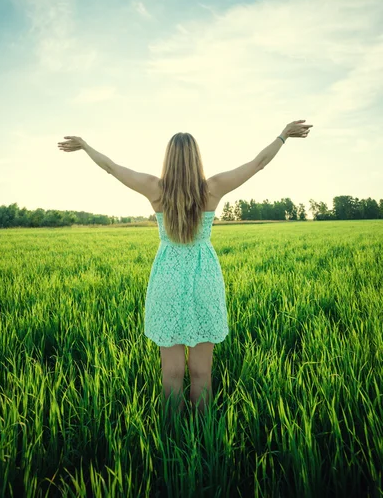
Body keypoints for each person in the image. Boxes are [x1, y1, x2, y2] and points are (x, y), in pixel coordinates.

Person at [57, 119, 313, 421]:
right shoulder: (213, 189)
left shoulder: (155, 189)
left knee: (172, 371)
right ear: (196, 159)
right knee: (202, 371)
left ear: (169, 159)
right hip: (203, 276)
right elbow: (258, 163)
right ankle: (203, 436)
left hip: (167, 276)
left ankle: (172, 433)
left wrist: (85, 146)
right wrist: (283, 136)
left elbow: (112, 167)